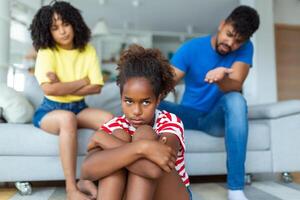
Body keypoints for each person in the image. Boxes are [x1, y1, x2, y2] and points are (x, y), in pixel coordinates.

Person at [158, 5, 260, 200]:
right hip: (186, 115)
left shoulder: (246, 49)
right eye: (229, 34)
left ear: (245, 41)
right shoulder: (191, 48)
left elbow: (236, 83)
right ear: (222, 25)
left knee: (236, 99)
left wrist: (222, 76)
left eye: (238, 41)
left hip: (213, 119)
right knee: (151, 103)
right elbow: (167, 82)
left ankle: (236, 189)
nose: (230, 43)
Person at [78, 44, 192, 200]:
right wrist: (142, 150)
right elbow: (86, 170)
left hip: (171, 195)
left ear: (158, 100)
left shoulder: (169, 123)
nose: (136, 111)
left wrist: (140, 145)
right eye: (129, 101)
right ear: (121, 98)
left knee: (144, 133)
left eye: (145, 102)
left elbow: (153, 170)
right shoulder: (114, 126)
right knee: (119, 136)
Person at [30, 1, 113, 199]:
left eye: (65, 24)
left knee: (110, 119)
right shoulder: (46, 52)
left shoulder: (88, 50)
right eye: (55, 28)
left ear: (75, 23)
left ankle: (87, 177)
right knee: (67, 118)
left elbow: (97, 87)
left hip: (80, 107)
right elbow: (50, 89)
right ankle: (71, 188)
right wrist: (82, 80)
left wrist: (63, 85)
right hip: (50, 110)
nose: (63, 31)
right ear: (47, 32)